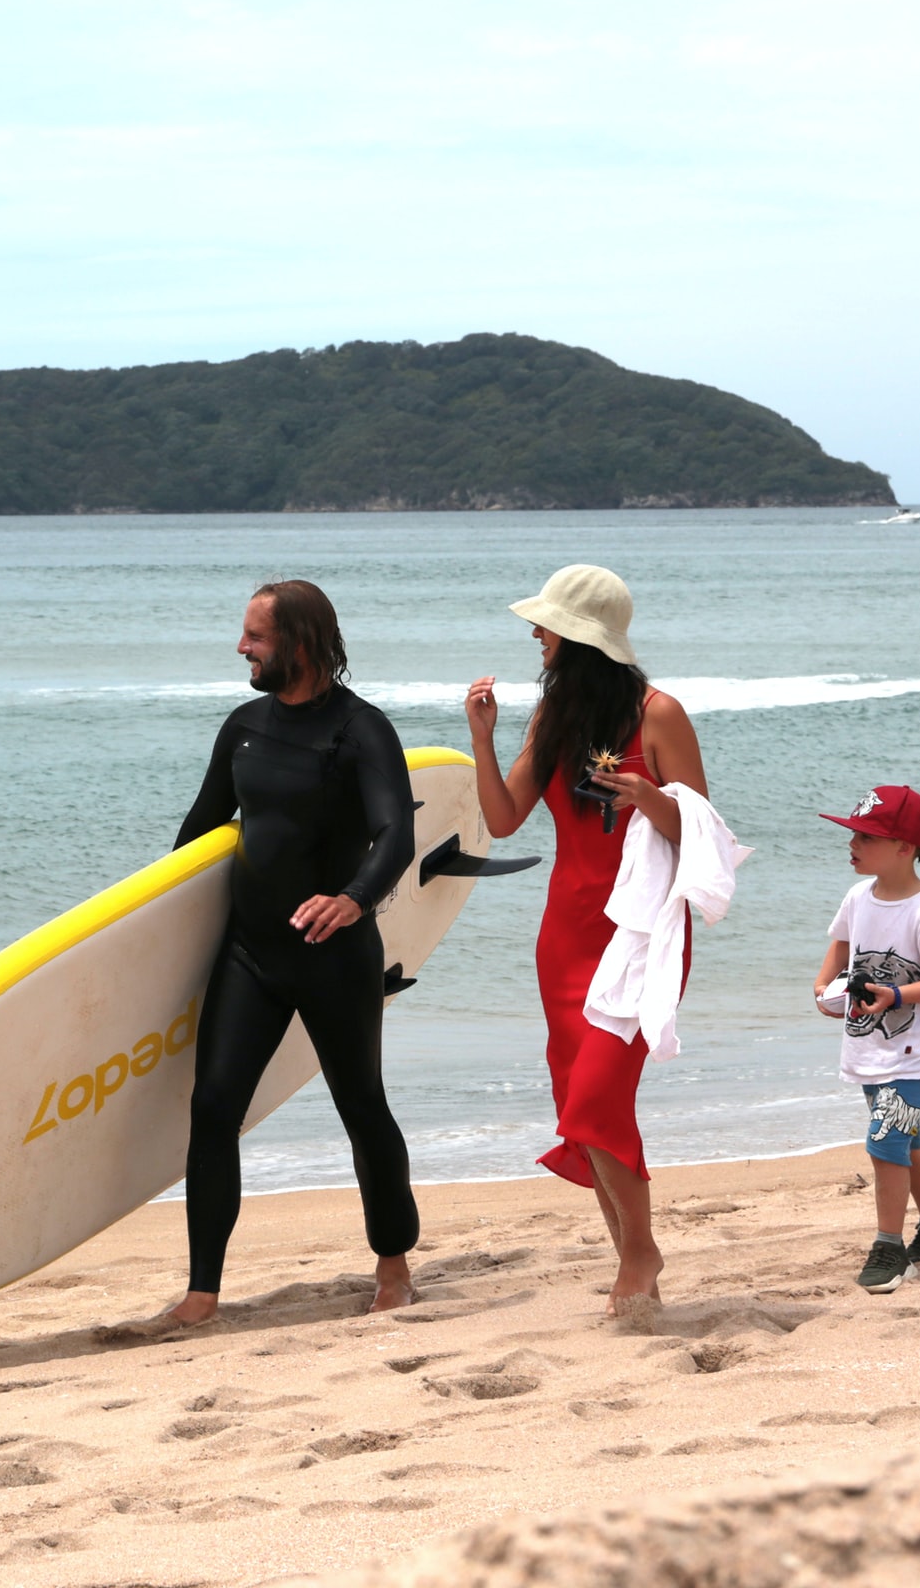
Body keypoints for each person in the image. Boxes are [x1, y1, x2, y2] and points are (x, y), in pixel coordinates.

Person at [167, 580, 420, 1324]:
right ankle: (201, 1293)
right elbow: (198, 833)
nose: (241, 648)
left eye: (255, 637)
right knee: (213, 1108)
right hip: (252, 954)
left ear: (299, 645)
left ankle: (395, 1267)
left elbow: (394, 835)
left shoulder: (360, 730)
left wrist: (353, 899)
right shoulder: (244, 726)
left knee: (360, 1105)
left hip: (333, 954)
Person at [463, 565, 707, 1315]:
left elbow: (704, 840)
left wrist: (653, 803)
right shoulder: (555, 719)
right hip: (565, 933)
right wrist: (481, 738)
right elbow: (504, 820)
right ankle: (633, 1263)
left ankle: (641, 1251)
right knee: (578, 1103)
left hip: (638, 931)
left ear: (579, 638)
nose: (535, 634)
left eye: (546, 624)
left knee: (599, 1096)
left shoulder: (659, 714)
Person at [810, 785, 920, 1294]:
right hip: (866, 1045)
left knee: (884, 1142)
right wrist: (822, 986)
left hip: (913, 1055)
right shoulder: (859, 896)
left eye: (867, 836)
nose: (852, 843)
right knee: (906, 1140)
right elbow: (840, 942)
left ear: (905, 847)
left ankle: (889, 1248)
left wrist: (896, 996)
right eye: (853, 834)